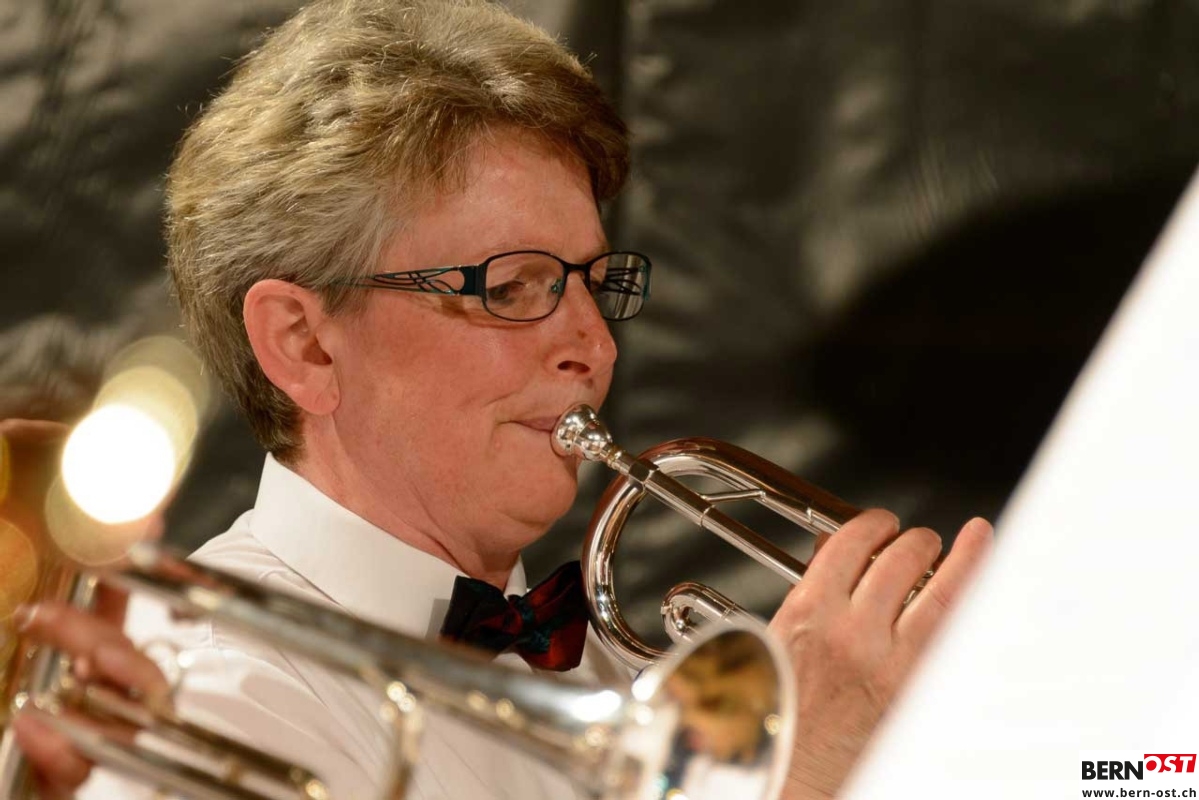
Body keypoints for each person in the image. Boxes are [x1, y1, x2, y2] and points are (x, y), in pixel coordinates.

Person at [8, 0, 993, 798]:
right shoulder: (191, 702)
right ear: (303, 343)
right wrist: (794, 774)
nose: (594, 345)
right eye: (514, 286)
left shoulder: (618, 680)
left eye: (594, 284)